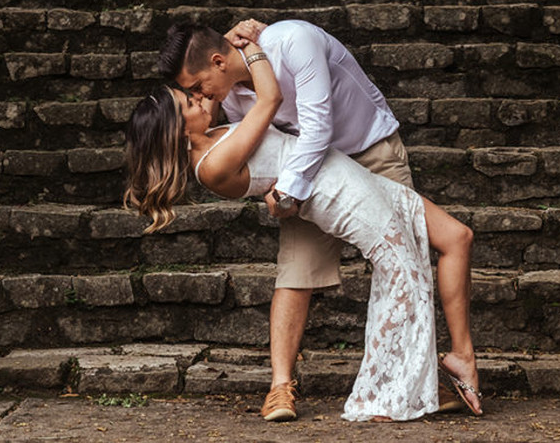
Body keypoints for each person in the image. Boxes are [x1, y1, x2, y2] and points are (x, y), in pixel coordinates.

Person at [127, 39, 482, 421]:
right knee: (402, 270)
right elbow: (269, 100)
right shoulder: (212, 164)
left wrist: (226, 46)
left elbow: (216, 77)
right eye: (190, 102)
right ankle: (383, 394)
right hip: (336, 193)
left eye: (195, 92)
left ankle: (427, 372)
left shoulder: (209, 135)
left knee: (455, 235)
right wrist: (250, 48)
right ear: (179, 131)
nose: (199, 98)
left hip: (347, 173)